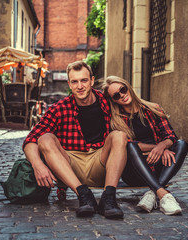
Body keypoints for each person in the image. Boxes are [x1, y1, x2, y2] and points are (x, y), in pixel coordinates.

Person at [23, 61, 127, 219]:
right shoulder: (59, 108)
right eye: (75, 81)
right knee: (44, 139)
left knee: (119, 135)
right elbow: (31, 139)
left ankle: (109, 198)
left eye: (84, 80)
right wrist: (37, 163)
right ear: (69, 84)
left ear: (92, 81)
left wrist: (163, 143)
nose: (80, 86)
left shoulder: (107, 102)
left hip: (101, 162)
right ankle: (84, 195)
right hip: (70, 166)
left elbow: (134, 112)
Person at [102, 76, 188, 215]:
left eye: (123, 90)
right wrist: (158, 148)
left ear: (128, 87)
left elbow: (171, 136)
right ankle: (163, 194)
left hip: (158, 166)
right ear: (113, 101)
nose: (122, 96)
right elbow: (128, 145)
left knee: (182, 144)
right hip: (135, 171)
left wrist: (163, 145)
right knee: (130, 147)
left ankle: (152, 193)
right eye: (116, 95)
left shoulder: (153, 108)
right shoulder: (116, 120)